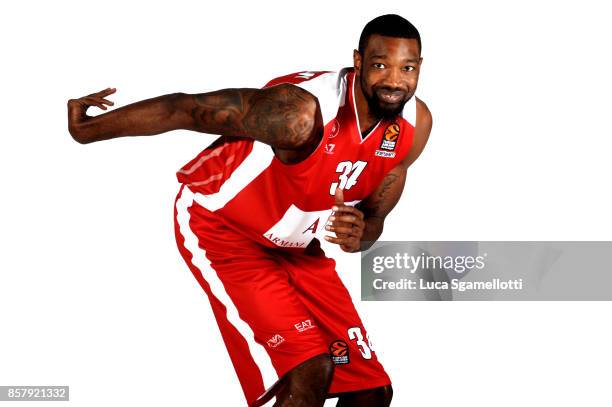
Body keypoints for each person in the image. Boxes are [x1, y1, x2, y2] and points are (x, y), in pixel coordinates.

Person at [67, 14, 432, 407]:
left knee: (370, 391)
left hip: (294, 247)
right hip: (223, 230)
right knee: (311, 372)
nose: (395, 81)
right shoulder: (301, 113)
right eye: (380, 65)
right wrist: (86, 130)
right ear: (358, 62)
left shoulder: (414, 124)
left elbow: (373, 219)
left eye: (407, 68)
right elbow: (186, 109)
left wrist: (362, 231)